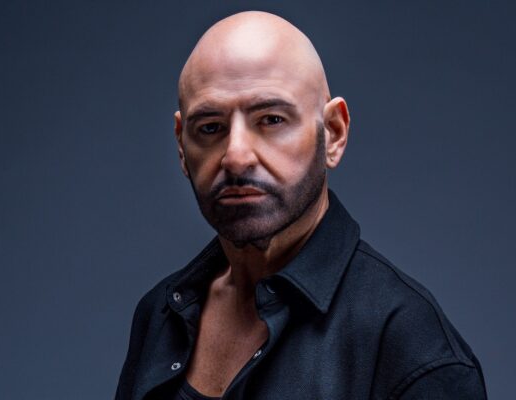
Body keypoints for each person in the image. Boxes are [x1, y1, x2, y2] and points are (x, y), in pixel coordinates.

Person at [115, 11, 487, 400]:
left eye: (271, 120)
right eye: (210, 128)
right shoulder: (160, 314)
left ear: (334, 133)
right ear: (181, 145)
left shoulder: (412, 349)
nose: (236, 156)